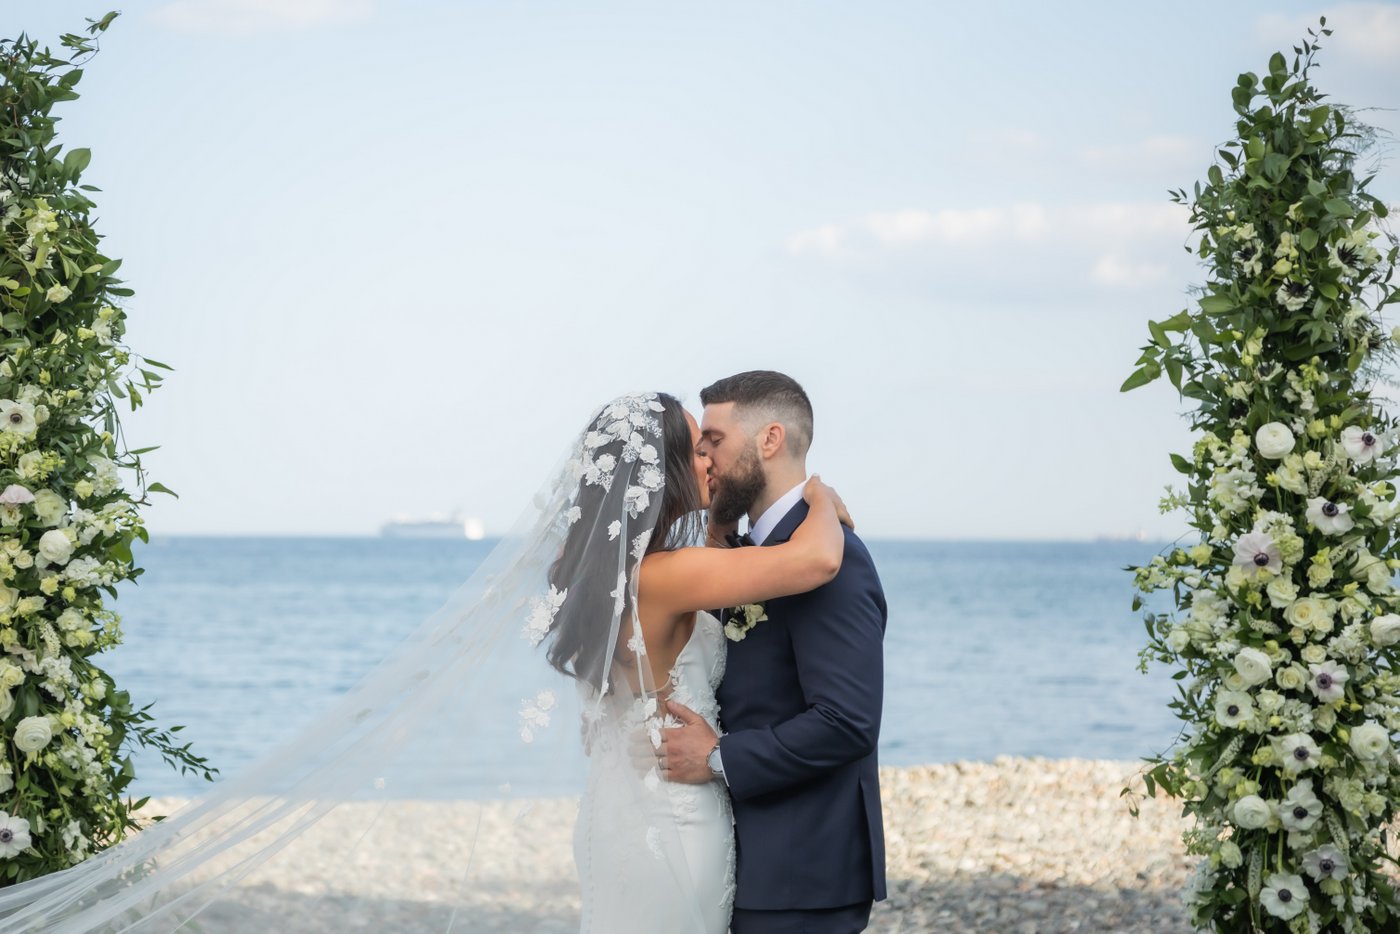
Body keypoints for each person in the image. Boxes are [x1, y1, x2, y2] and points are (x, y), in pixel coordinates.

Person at [0, 389, 857, 934]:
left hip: (612, 817)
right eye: (697, 449)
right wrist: (818, 492)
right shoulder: (671, 576)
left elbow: (712, 550)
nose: (708, 460)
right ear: (667, 470)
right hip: (671, 822)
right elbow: (815, 561)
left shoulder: (602, 574)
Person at [662, 371, 888, 934]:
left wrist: (717, 757)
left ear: (769, 439)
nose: (704, 457)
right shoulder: (744, 555)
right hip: (735, 861)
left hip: (799, 873)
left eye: (713, 439)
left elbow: (846, 721)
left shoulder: (835, 558)